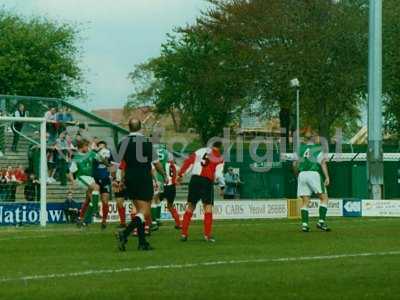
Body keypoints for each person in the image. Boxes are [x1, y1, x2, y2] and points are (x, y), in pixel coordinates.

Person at [116, 118, 167, 252]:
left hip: (129, 178)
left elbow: (116, 165)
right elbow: (156, 163)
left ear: (129, 128)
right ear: (140, 128)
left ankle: (142, 242)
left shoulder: (122, 143)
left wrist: (118, 181)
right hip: (143, 177)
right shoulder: (147, 143)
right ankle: (125, 233)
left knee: (139, 211)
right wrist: (164, 175)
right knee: (145, 211)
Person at [177, 141, 225, 242]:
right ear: (220, 148)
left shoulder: (200, 151)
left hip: (195, 180)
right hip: (207, 181)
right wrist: (222, 186)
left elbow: (189, 162)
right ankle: (207, 235)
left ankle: (184, 234)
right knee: (208, 207)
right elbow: (219, 174)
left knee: (190, 206)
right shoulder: (219, 158)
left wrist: (181, 174)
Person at [293, 128, 331, 232]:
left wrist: (297, 175)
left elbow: (295, 164)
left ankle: (305, 225)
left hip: (302, 174)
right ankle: (321, 222)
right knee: (324, 198)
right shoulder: (318, 148)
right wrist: (327, 177)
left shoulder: (299, 148)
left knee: (305, 201)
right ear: (314, 138)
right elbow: (323, 163)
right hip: (313, 174)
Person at [69, 139, 100, 227]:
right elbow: (71, 171)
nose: (88, 147)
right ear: (82, 147)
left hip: (90, 178)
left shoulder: (91, 154)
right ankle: (95, 211)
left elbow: (100, 158)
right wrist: (73, 181)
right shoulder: (76, 158)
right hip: (81, 178)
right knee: (96, 188)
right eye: (87, 146)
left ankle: (82, 219)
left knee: (88, 199)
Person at [93, 141, 113, 230]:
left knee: (105, 201)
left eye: (102, 145)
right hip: (95, 179)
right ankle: (90, 214)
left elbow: (110, 164)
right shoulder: (94, 154)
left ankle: (104, 220)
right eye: (99, 145)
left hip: (105, 179)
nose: (101, 147)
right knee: (90, 197)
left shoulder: (108, 152)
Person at [159, 152, 181, 229]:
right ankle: (178, 223)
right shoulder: (176, 166)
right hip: (172, 188)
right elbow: (181, 175)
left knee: (153, 203)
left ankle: (152, 222)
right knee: (170, 206)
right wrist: (177, 180)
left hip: (165, 187)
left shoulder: (164, 165)